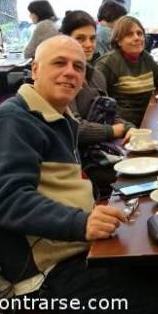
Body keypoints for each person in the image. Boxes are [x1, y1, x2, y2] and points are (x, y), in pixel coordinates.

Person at [0, 35, 158, 314]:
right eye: (59, 63)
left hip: (78, 250)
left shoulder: (56, 118)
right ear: (35, 70)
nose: (70, 72)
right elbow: (8, 201)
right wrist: (82, 221)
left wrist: (94, 214)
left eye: (78, 66)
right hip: (44, 278)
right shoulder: (11, 122)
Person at [59, 10, 135, 197]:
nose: (88, 45)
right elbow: (74, 129)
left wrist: (130, 128)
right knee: (136, 176)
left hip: (102, 151)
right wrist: (112, 131)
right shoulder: (62, 80)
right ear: (64, 39)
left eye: (92, 38)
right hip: (78, 163)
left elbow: (111, 114)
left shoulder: (96, 75)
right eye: (80, 39)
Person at [96, 15, 158, 126]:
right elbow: (97, 104)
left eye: (139, 33)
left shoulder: (145, 57)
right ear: (119, 41)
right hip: (124, 128)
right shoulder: (107, 63)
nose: (137, 38)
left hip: (147, 120)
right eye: (129, 34)